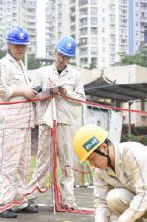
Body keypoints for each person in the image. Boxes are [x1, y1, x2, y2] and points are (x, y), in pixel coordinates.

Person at [73, 124, 147, 222]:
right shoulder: (100, 170)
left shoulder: (134, 153)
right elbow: (101, 200)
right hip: (145, 206)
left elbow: (145, 193)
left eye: (92, 158)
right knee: (113, 198)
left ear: (103, 148)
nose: (92, 164)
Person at [27, 36, 85, 210]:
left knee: (67, 163)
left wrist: (65, 91)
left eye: (66, 57)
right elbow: (33, 96)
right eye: (60, 55)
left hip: (66, 123)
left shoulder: (75, 75)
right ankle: (30, 197)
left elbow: (80, 100)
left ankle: (69, 199)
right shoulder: (42, 72)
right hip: (46, 122)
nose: (62, 60)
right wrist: (45, 91)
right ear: (55, 53)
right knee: (43, 162)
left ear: (70, 59)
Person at [0, 26, 39, 218]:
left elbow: (23, 90)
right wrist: (23, 92)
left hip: (25, 120)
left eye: (23, 46)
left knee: (23, 163)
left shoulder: (21, 66)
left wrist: (32, 92)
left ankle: (19, 200)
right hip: (10, 120)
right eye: (17, 45)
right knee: (7, 162)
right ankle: (2, 203)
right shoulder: (2, 65)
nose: (20, 49)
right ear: (9, 44)